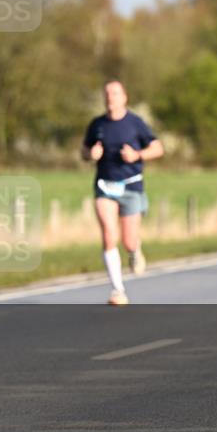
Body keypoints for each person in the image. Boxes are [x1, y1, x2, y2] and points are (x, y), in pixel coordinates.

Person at [81, 80, 164, 306]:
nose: (110, 98)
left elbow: (158, 148)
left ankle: (135, 250)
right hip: (104, 186)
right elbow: (84, 151)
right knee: (109, 234)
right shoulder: (97, 124)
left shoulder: (135, 123)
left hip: (131, 185)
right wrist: (91, 154)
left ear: (124, 97)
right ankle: (118, 290)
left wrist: (137, 155)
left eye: (115, 93)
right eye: (107, 93)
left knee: (128, 241)